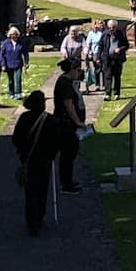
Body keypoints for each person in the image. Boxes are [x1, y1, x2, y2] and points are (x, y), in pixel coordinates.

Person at [12, 89, 62, 235]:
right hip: (44, 160)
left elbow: (16, 138)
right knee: (42, 190)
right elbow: (57, 142)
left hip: (28, 159)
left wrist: (22, 152)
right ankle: (39, 216)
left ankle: (31, 221)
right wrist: (52, 155)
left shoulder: (24, 118)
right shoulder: (51, 120)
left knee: (30, 192)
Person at [53, 59, 86, 194]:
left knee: (71, 153)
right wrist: (78, 122)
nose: (79, 72)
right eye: (78, 70)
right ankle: (66, 184)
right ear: (72, 70)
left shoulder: (69, 82)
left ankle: (68, 180)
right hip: (66, 124)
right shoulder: (65, 83)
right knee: (68, 153)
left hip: (68, 124)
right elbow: (69, 104)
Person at [99, 19, 129, 99]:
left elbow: (126, 45)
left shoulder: (120, 34)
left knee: (117, 76)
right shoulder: (105, 34)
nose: (111, 29)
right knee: (107, 76)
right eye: (110, 27)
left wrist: (120, 49)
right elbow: (100, 46)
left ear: (116, 27)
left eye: (113, 27)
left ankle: (117, 94)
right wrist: (99, 57)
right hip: (107, 58)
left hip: (117, 58)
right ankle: (107, 94)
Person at [84, 19, 104, 93]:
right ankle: (97, 84)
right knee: (97, 69)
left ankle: (105, 84)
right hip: (95, 53)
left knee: (104, 69)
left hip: (103, 53)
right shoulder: (91, 33)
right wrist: (88, 53)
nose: (101, 24)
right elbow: (88, 43)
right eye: (99, 23)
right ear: (95, 25)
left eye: (102, 23)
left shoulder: (104, 32)